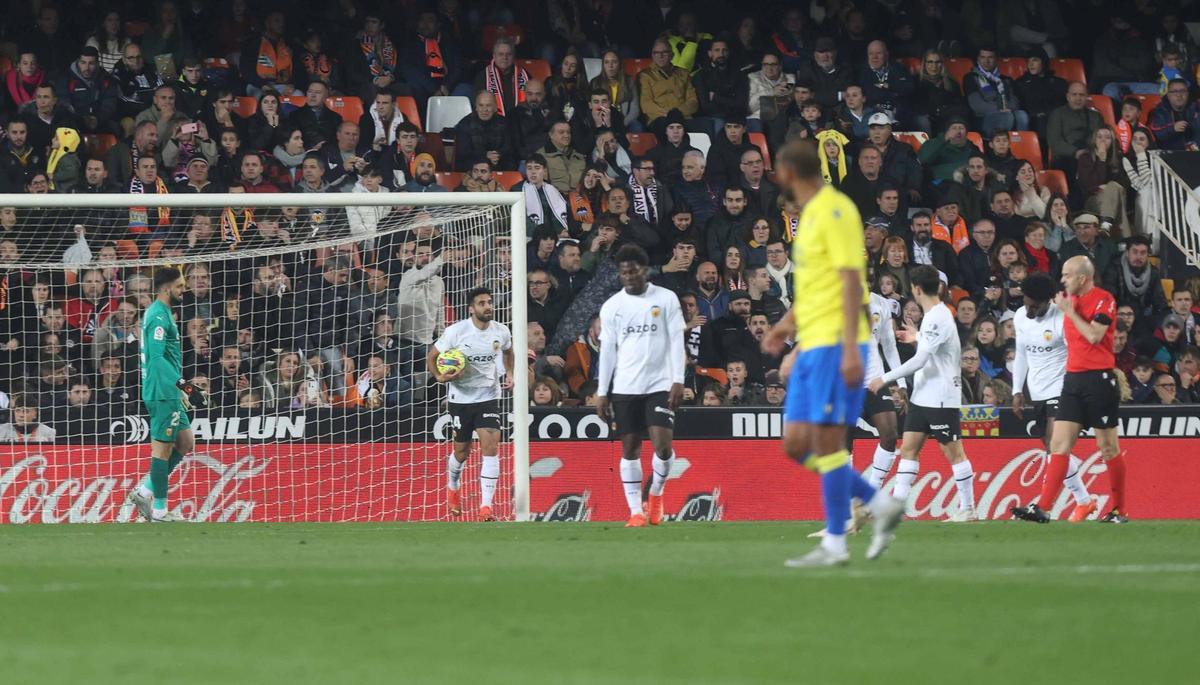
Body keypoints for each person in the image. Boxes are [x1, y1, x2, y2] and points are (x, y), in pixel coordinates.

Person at [760, 140, 905, 567]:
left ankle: (836, 544)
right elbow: (814, 290)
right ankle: (879, 505)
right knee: (795, 444)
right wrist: (784, 330)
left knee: (826, 441)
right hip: (813, 343)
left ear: (790, 171)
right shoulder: (807, 220)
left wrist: (849, 349)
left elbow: (848, 281)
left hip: (836, 343)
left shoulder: (837, 210)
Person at [1012, 256, 1129, 524]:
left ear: (1082, 278)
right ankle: (1042, 508)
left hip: (1099, 380)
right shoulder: (1065, 302)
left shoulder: (1103, 299)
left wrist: (1070, 312)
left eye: (1066, 275)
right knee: (1058, 445)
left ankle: (1119, 510)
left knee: (1107, 447)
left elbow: (1094, 336)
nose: (1062, 280)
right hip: (1072, 382)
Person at [870, 265, 980, 522]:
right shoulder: (935, 316)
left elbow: (920, 360)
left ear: (916, 289)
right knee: (908, 449)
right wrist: (917, 335)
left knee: (954, 452)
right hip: (922, 395)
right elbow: (933, 346)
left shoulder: (938, 316)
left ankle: (968, 508)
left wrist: (884, 378)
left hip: (940, 395)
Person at [595, 244, 685, 528]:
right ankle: (635, 511)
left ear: (645, 271)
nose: (629, 277)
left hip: (660, 383)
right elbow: (608, 350)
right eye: (624, 273)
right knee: (630, 448)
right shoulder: (612, 307)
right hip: (625, 386)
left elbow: (676, 341)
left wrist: (678, 379)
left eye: (633, 272)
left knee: (662, 446)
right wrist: (601, 392)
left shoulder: (666, 298)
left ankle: (656, 493)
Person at [1011, 272, 1098, 522]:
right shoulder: (1020, 317)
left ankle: (1041, 505)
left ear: (1048, 300)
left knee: (1054, 445)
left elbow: (1077, 355)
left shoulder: (1061, 319)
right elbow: (1022, 354)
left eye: (1033, 305)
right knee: (1053, 449)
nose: (1028, 310)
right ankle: (1084, 501)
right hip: (1036, 392)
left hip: (1062, 389)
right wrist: (1017, 390)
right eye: (1026, 304)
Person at [125, 268, 208, 523]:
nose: (184, 289)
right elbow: (156, 359)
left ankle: (145, 490)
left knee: (185, 442)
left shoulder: (163, 315)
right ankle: (159, 510)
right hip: (161, 391)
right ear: (165, 288)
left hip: (168, 389)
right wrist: (186, 387)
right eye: (180, 286)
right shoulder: (158, 316)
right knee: (161, 451)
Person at [428, 287, 515, 522]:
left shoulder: (501, 331)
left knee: (490, 446)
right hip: (461, 399)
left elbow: (508, 352)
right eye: (481, 303)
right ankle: (453, 486)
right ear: (471, 309)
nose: (487, 306)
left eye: (489, 302)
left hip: (488, 395)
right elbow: (432, 355)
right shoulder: (456, 332)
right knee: (461, 452)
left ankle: (486, 507)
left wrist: (509, 373)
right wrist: (438, 376)